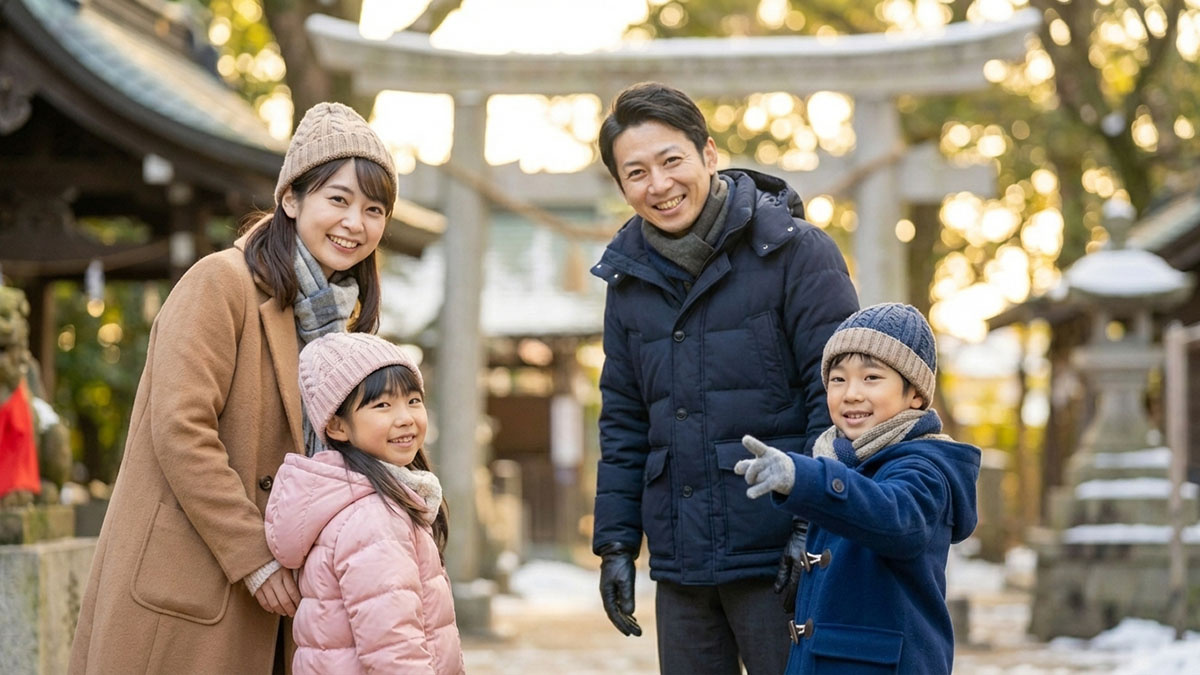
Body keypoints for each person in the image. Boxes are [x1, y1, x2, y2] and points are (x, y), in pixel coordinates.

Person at [69, 101, 397, 674]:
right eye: (338, 200)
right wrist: (255, 557)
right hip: (195, 586)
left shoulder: (342, 323)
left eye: (374, 209)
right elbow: (181, 430)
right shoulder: (220, 282)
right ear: (291, 199)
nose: (355, 223)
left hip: (291, 606)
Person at [591, 81, 859, 674]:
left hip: (781, 550)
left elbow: (840, 402)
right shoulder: (628, 282)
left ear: (709, 154)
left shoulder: (797, 254)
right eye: (635, 173)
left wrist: (812, 524)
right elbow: (626, 419)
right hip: (683, 561)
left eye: (671, 161)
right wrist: (615, 545)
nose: (657, 185)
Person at [735, 303, 981, 674]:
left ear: (914, 394)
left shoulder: (925, 468)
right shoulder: (838, 459)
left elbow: (893, 516)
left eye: (871, 378)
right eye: (838, 379)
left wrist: (805, 479)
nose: (851, 393)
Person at [264, 332, 463, 674]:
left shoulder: (354, 500)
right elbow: (394, 651)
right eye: (382, 405)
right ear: (337, 426)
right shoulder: (373, 517)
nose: (404, 417)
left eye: (413, 401)